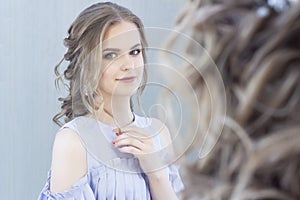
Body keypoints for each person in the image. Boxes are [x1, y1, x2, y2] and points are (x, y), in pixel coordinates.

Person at [38, 2, 184, 200]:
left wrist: (156, 173)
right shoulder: (74, 142)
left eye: (135, 51)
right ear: (87, 64)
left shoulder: (160, 133)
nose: (129, 65)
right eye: (111, 55)